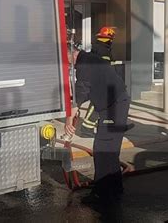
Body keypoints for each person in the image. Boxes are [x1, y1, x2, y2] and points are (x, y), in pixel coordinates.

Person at [64, 26, 130, 209]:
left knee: (102, 150)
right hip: (116, 104)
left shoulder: (84, 64)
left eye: (66, 60)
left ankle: (102, 194)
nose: (66, 64)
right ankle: (114, 188)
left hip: (114, 107)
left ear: (72, 54)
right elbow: (82, 91)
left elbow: (81, 92)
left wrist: (70, 117)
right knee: (109, 150)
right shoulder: (88, 59)